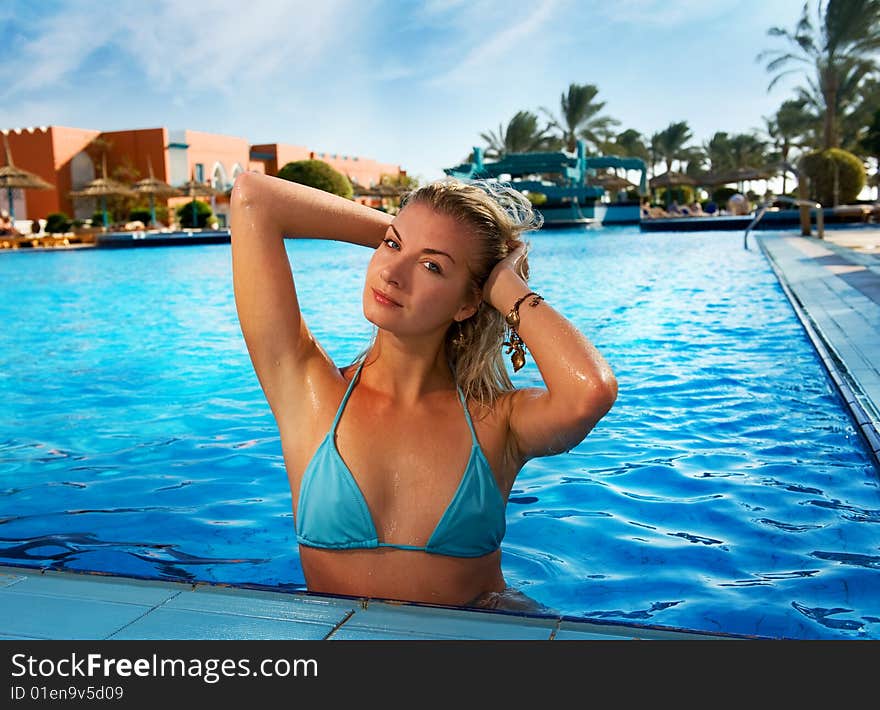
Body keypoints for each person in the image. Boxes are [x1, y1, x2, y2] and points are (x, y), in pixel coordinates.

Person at [230, 173, 618, 610]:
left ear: (469, 303)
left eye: (432, 266)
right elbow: (254, 198)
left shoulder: (496, 421)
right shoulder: (308, 391)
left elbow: (591, 391)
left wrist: (506, 284)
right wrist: (414, 233)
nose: (392, 274)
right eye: (392, 245)